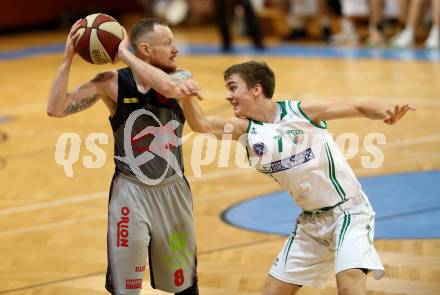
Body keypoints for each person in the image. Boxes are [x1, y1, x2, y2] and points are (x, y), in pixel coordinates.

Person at [180, 61, 415, 294]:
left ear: (256, 89)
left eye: (232, 87)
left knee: (350, 286)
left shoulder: (300, 112)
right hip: (311, 224)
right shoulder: (245, 129)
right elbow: (201, 124)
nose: (227, 96)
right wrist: (186, 95)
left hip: (349, 213)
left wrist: (387, 111)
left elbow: (359, 106)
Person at [47, 17, 201, 295]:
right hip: (130, 193)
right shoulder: (111, 82)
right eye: (168, 43)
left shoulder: (180, 77)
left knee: (184, 287)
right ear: (145, 48)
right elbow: (56, 108)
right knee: (126, 289)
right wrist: (67, 59)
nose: (175, 49)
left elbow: (166, 88)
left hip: (173, 190)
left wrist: (124, 55)